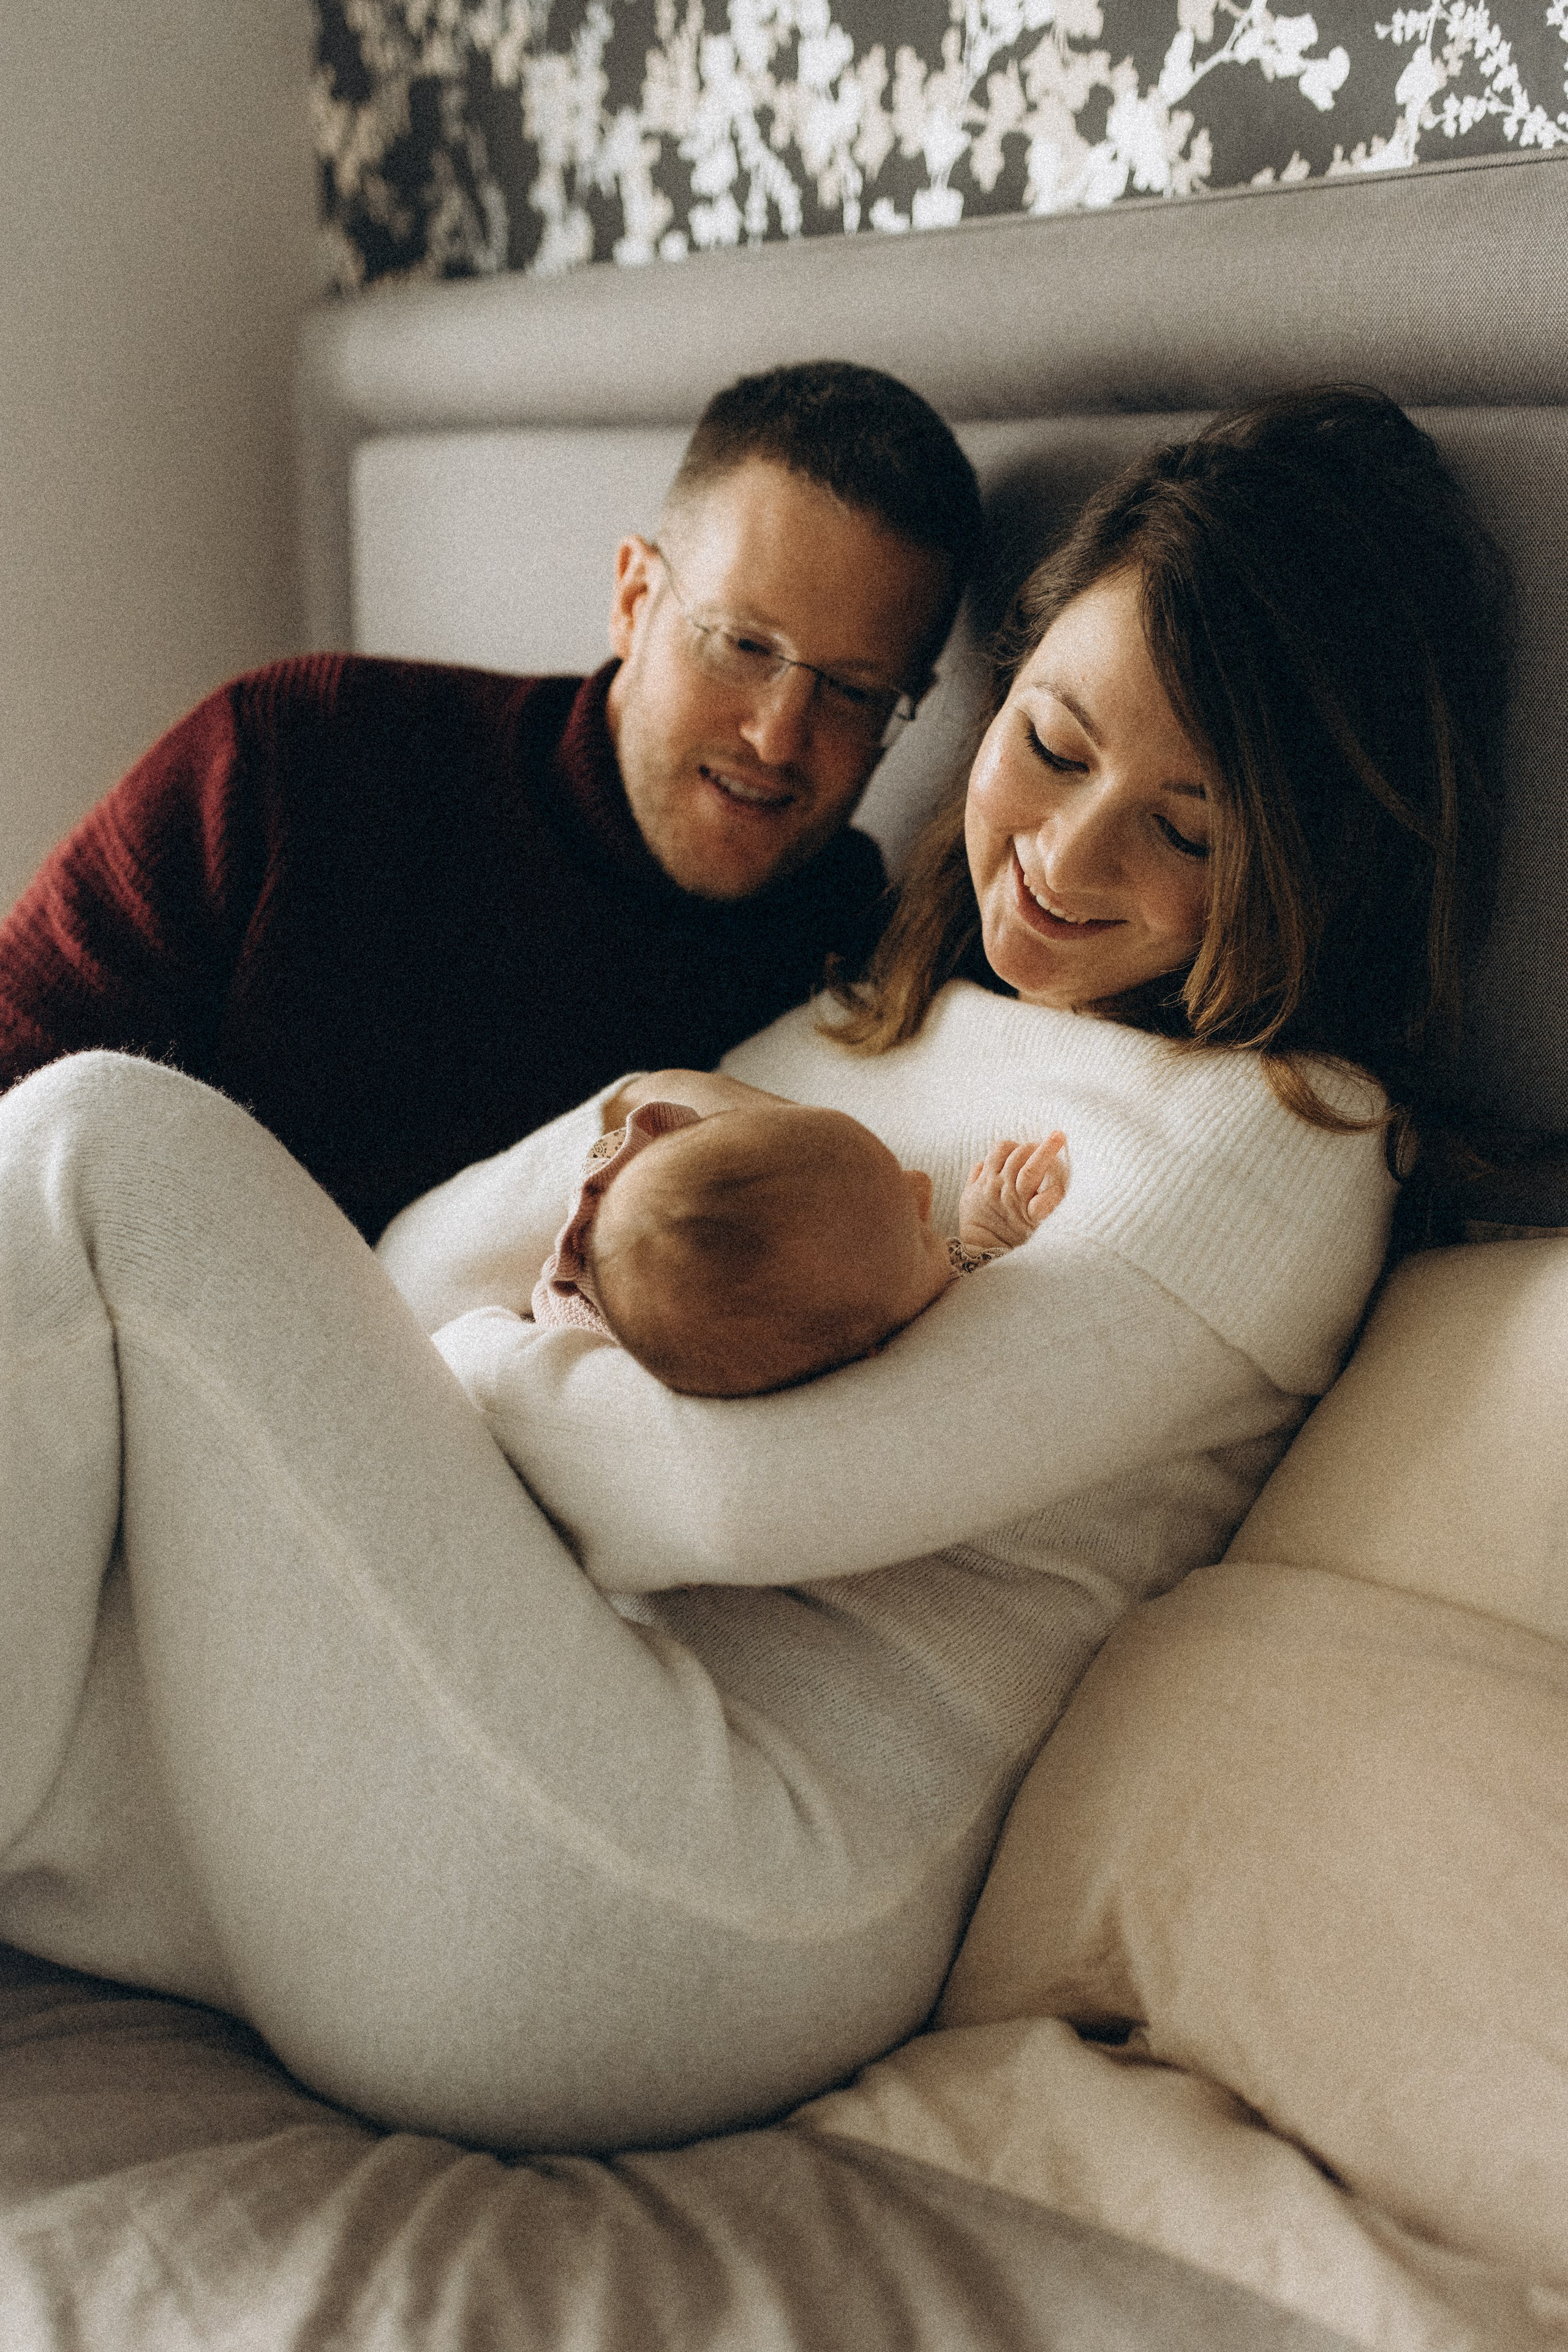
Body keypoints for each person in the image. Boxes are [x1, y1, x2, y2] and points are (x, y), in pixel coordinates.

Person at [0, 388, 1512, 2162]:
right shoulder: (880, 1002)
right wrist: (545, 1279)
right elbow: (414, 1269)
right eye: (1054, 738)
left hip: (697, 1888)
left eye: (1188, 831)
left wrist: (493, 1354)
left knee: (107, 1145)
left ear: (1317, 863)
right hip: (510, 1721)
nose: (1065, 851)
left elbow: (709, 1498)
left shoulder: (1271, 1147)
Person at [0, 363, 980, 1238]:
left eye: (853, 691)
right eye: (742, 645)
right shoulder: (299, 757)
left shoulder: (846, 966)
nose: (778, 736)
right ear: (635, 598)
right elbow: (23, 1094)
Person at [529, 1069, 1068, 1395]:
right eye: (920, 1233)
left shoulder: (842, 1299)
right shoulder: (870, 1357)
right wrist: (988, 1241)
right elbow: (965, 1315)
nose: (922, 1185)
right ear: (863, 1356)